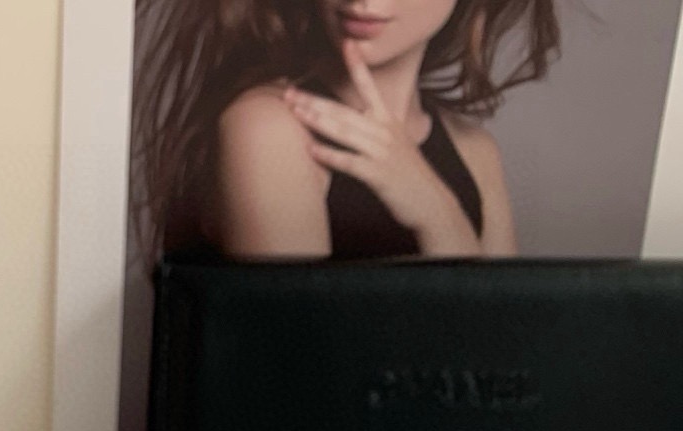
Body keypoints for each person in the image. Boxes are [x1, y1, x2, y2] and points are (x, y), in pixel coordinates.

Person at [132, 0, 561, 262]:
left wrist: (437, 212)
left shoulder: (475, 151)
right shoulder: (268, 128)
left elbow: (501, 355)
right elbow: (298, 358)